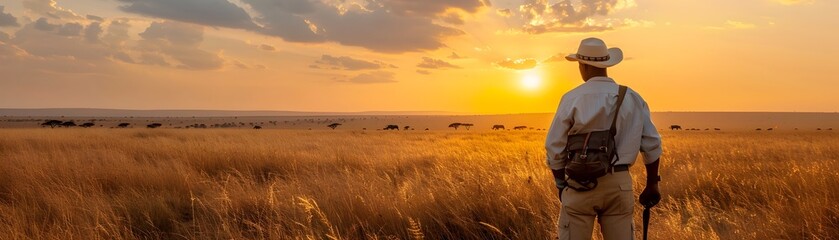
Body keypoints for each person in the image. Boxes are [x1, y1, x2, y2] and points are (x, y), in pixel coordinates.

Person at [545, 37, 662, 240]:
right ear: (607, 65)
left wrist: (561, 185)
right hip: (619, 183)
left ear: (582, 66)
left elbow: (554, 147)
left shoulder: (572, 98)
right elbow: (652, 144)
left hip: (579, 183)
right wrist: (653, 183)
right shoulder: (632, 97)